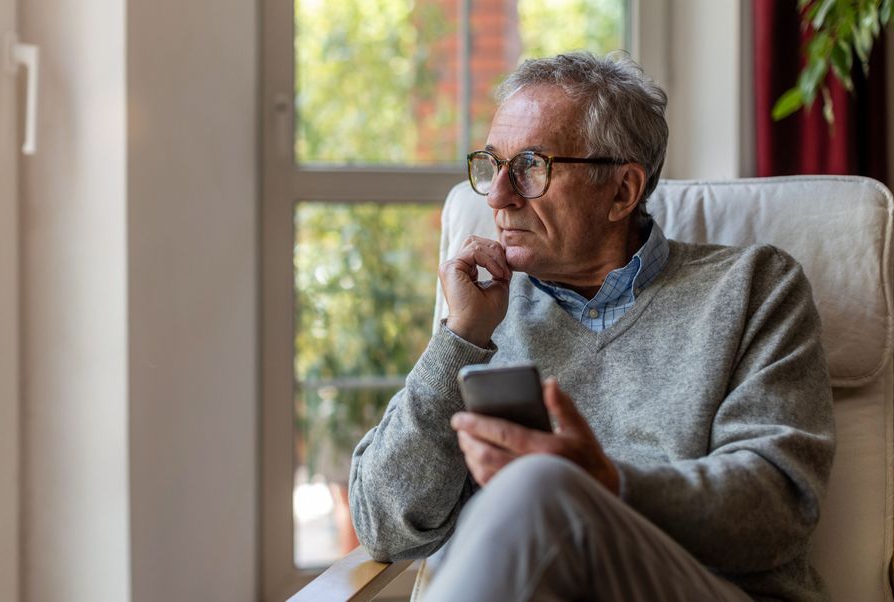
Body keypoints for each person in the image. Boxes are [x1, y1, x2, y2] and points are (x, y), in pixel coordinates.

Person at [348, 52, 835, 602]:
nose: (498, 195)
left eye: (530, 166)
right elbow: (382, 526)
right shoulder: (481, 320)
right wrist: (459, 337)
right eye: (492, 164)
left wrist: (607, 483)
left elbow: (780, 507)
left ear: (623, 191)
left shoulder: (753, 287)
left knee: (537, 485)